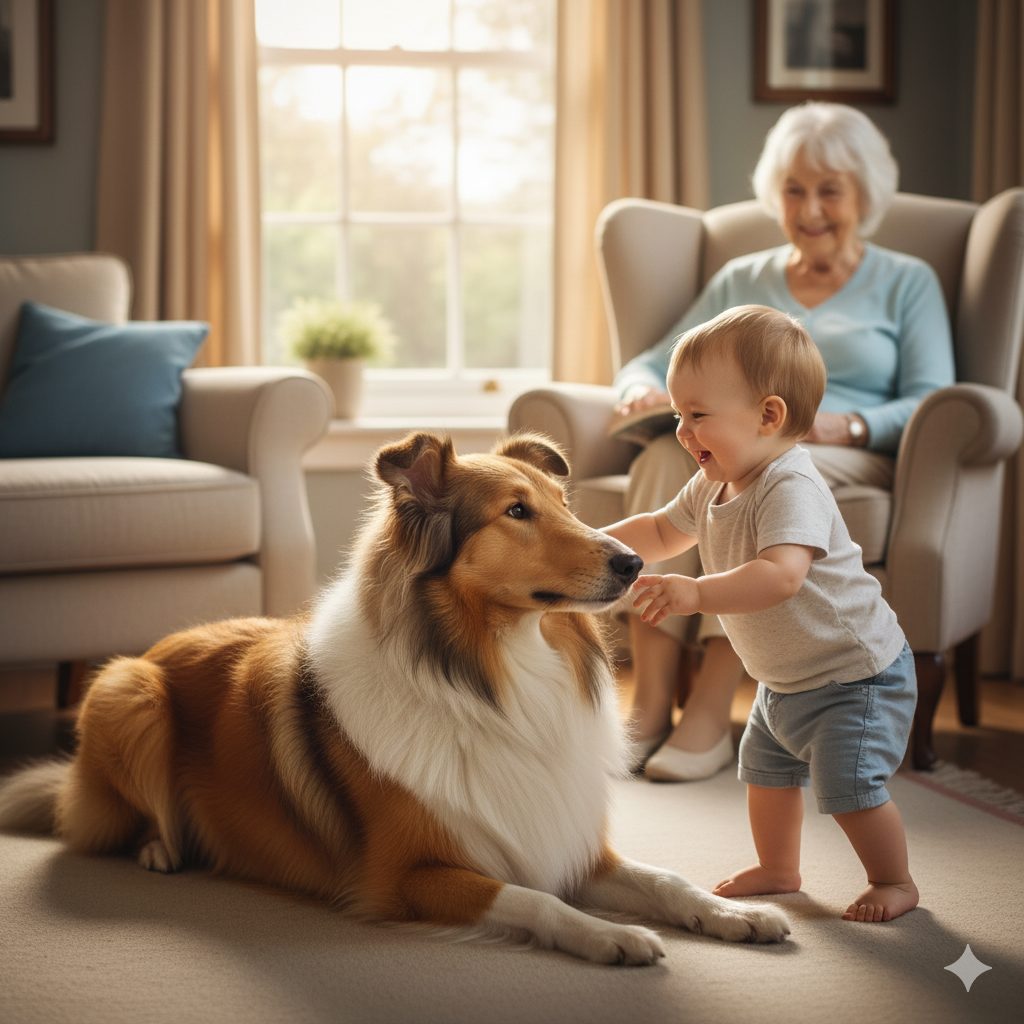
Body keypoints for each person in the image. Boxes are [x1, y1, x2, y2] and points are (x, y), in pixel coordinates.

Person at [611, 101, 954, 780]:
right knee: (668, 457)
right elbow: (651, 360)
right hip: (738, 436)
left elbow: (932, 397)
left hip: (847, 450)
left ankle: (710, 707)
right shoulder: (743, 279)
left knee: (767, 474)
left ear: (864, 194)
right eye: (795, 190)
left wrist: (849, 424)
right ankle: (649, 701)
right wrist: (640, 390)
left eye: (830, 190)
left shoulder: (906, 281)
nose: (811, 209)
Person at [605, 304, 919, 923]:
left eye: (698, 415)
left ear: (768, 415)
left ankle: (894, 879)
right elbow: (662, 530)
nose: (682, 431)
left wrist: (696, 594)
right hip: (786, 678)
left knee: (850, 788)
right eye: (678, 415)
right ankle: (779, 868)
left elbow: (781, 576)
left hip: (855, 675)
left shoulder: (789, 484)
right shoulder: (714, 480)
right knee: (766, 777)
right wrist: (589, 543)